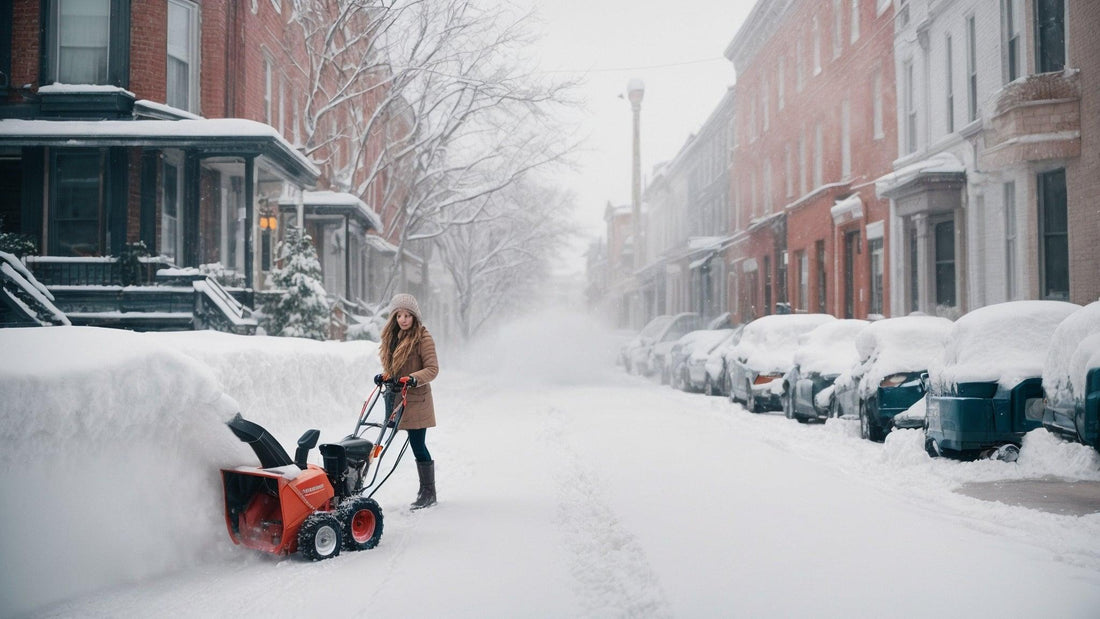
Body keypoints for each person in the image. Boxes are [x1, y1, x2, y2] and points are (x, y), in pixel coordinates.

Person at [374, 293, 439, 510]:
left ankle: (428, 492)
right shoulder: (393, 338)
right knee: (385, 441)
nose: (403, 319)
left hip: (417, 400)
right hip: (397, 400)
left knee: (417, 445)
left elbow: (432, 369)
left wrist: (414, 379)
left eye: (407, 315)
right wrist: (385, 375)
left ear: (414, 317)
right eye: (399, 315)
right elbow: (395, 368)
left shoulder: (423, 338)